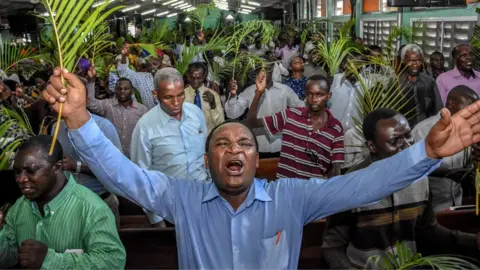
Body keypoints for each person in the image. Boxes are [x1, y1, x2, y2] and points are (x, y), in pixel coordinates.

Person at [43, 66, 480, 269]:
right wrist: (79, 119)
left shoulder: (294, 197)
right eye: (222, 143)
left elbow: (365, 184)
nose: (234, 148)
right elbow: (123, 175)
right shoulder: (181, 199)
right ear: (208, 160)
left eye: (245, 142)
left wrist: (426, 153)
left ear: (257, 158)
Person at [322, 109, 480, 269]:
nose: (406, 145)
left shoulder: (421, 179)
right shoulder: (349, 186)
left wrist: (473, 240)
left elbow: (428, 231)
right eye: (395, 140)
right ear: (372, 146)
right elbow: (332, 247)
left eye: (408, 136)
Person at [0, 135, 125, 269]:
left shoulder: (92, 208)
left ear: (57, 167)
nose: (21, 179)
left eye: (31, 171)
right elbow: (8, 259)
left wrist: (50, 260)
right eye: (18, 172)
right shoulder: (20, 207)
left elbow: (112, 263)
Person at [130, 67, 208, 226]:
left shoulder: (196, 114)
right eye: (168, 97)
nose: (176, 103)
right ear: (155, 95)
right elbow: (141, 178)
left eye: (180, 95)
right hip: (170, 211)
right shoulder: (145, 127)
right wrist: (157, 220)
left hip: (203, 203)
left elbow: (205, 157)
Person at [246, 73, 343, 178]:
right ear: (305, 95)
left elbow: (336, 167)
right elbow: (252, 123)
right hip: (286, 189)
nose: (314, 99)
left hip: (314, 190)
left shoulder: (335, 127)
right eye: (310, 94)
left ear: (329, 96)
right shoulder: (289, 116)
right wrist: (259, 93)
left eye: (319, 94)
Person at [413, 85, 479, 211]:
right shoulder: (422, 130)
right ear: (451, 104)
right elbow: (413, 168)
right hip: (431, 204)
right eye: (470, 107)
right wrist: (447, 174)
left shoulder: (468, 129)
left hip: (457, 202)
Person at [52, 113, 123, 226]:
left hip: (101, 201)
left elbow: (116, 172)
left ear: (86, 100)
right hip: (68, 204)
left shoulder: (104, 127)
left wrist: (77, 166)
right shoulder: (57, 128)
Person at [225, 65, 304, 158]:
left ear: (273, 69)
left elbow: (301, 108)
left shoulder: (284, 90)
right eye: (261, 69)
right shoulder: (250, 91)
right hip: (258, 145)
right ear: (257, 71)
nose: (264, 72)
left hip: (280, 144)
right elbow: (233, 114)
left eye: (267, 68)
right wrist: (233, 95)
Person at [86, 67, 148, 158]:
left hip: (134, 157)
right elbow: (91, 103)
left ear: (132, 91)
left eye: (126, 88)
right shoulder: (108, 105)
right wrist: (91, 81)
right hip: (111, 155)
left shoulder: (142, 110)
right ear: (115, 91)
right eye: (119, 88)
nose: (122, 91)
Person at [393, 44, 443, 127]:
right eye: (410, 61)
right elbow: (392, 112)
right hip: (404, 129)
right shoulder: (396, 83)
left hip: (427, 129)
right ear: (403, 61)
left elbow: (438, 108)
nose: (415, 64)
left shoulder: (429, 82)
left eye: (418, 60)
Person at [329, 53, 370, 131]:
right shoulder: (336, 79)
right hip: (333, 130)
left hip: (355, 134)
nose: (353, 69)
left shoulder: (368, 85)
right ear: (344, 65)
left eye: (357, 65)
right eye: (350, 65)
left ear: (363, 67)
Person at [185, 62, 225, 133]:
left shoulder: (214, 95)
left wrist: (213, 105)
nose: (195, 81)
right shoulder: (181, 95)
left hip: (207, 138)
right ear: (187, 75)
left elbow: (220, 123)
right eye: (192, 77)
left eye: (198, 78)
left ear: (204, 76)